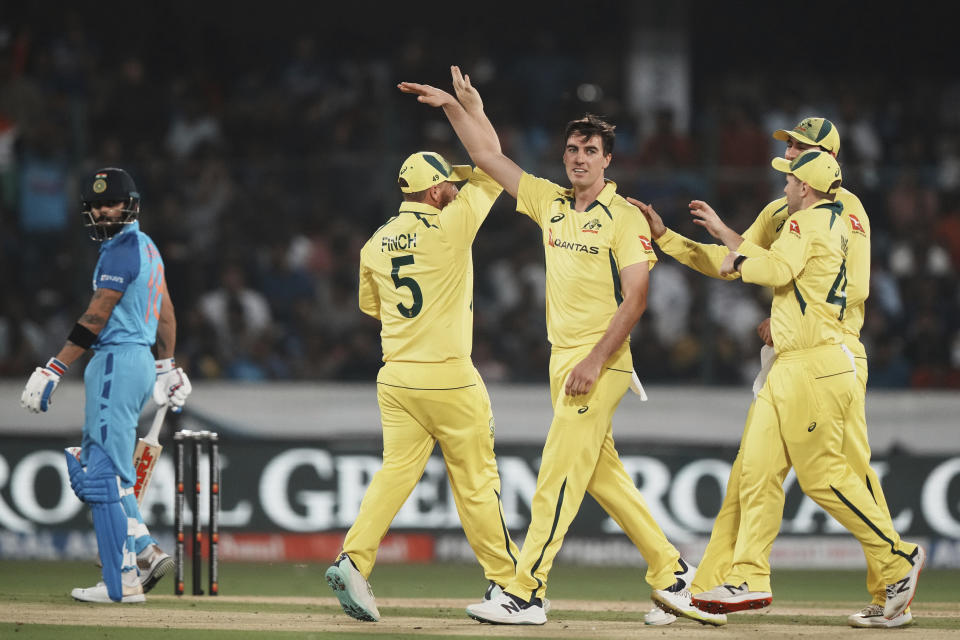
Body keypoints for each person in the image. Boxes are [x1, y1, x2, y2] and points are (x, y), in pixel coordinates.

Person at [398, 67, 724, 627]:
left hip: (600, 363)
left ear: (607, 160)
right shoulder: (549, 202)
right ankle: (673, 575)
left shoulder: (623, 217)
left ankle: (526, 592)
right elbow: (488, 158)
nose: (578, 158)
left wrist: (595, 360)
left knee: (556, 474)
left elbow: (638, 297)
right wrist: (456, 107)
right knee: (602, 476)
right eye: (572, 149)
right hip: (562, 360)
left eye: (589, 151)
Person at [635, 118, 915, 628]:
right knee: (752, 471)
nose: (786, 154)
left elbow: (832, 283)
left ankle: (894, 579)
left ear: (819, 161)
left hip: (831, 351)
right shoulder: (786, 211)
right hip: (795, 351)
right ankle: (714, 589)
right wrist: (670, 240)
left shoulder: (842, 213)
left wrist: (794, 310)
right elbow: (735, 258)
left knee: (843, 476)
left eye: (796, 149)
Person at [323, 146, 522, 622]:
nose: (455, 190)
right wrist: (468, 168)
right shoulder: (452, 222)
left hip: (396, 376)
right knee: (476, 481)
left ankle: (353, 559)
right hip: (449, 376)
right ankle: (507, 584)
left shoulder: (375, 242)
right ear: (436, 191)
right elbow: (494, 171)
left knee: (394, 472)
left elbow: (372, 307)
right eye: (448, 184)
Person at [20, 167, 192, 603]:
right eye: (96, 205)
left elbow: (96, 316)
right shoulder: (149, 249)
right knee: (103, 467)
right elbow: (166, 311)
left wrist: (54, 368)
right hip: (134, 363)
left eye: (110, 203)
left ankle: (124, 579)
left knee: (102, 475)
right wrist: (166, 365)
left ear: (129, 204)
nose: (101, 210)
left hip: (115, 361)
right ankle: (144, 552)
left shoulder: (121, 249)